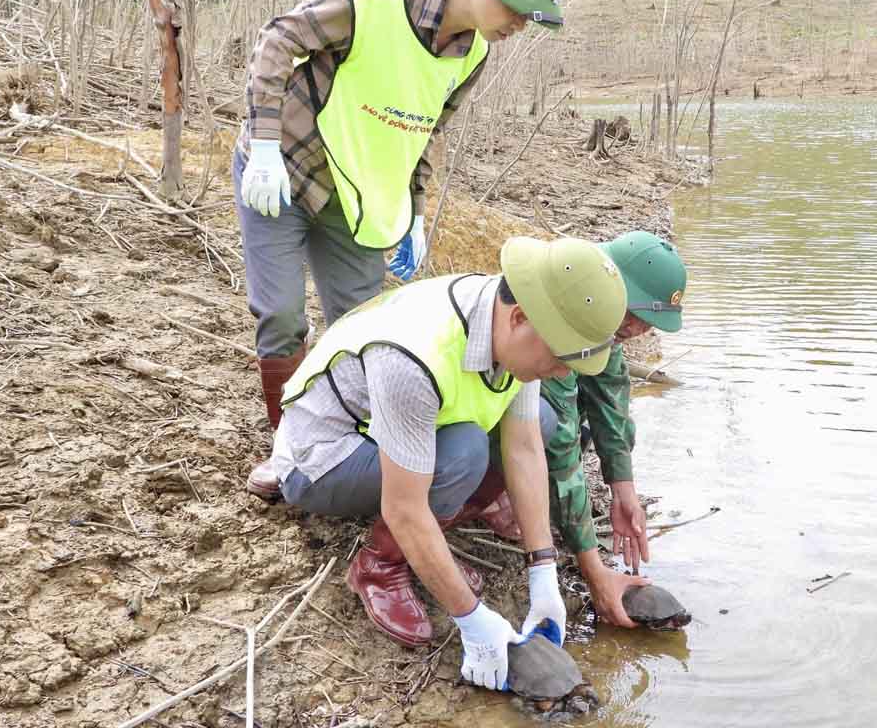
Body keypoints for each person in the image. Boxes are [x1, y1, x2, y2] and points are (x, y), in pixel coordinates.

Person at [232, 0, 567, 452]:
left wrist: (413, 209)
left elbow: (427, 129)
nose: (521, 26)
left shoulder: (472, 54)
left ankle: (348, 443)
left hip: (361, 198)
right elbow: (277, 39)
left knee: (362, 328)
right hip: (286, 172)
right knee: (280, 314)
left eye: (530, 17)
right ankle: (290, 452)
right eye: (518, 10)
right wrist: (267, 144)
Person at [247, 236, 626, 691]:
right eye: (560, 358)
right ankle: (379, 566)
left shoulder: (513, 319)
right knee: (463, 450)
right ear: (521, 319)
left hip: (400, 436)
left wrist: (542, 572)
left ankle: (435, 536)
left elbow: (523, 447)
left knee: (540, 419)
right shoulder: (416, 353)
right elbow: (404, 508)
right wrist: (472, 620)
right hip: (323, 458)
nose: (563, 372)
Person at [479, 231, 688, 628]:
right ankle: (487, 497)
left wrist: (623, 490)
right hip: (459, 428)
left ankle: (513, 494)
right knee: (547, 423)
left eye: (650, 324)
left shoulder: (603, 320)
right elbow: (558, 444)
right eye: (639, 317)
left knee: (584, 426)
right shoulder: (563, 316)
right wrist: (594, 572)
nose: (642, 330)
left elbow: (610, 396)